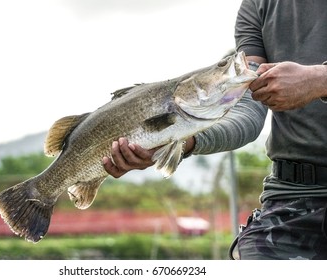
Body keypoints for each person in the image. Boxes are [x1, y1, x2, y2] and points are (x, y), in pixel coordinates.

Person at [102, 0, 327, 260]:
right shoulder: (257, 5)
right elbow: (246, 111)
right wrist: (183, 140)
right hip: (293, 194)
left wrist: (318, 80)